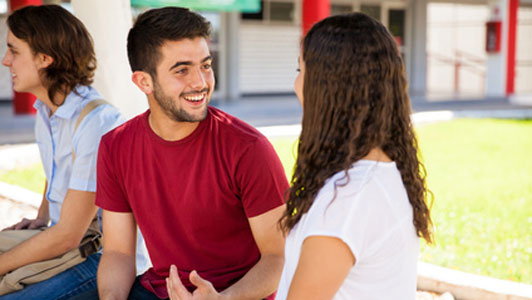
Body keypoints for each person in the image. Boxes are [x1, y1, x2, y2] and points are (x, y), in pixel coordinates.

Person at [95, 6, 288, 300]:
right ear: (144, 81)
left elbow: (279, 258)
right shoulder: (115, 146)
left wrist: (223, 299)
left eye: (206, 65)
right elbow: (119, 252)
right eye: (182, 70)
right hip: (159, 290)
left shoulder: (248, 149)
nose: (200, 82)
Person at [276, 12, 434, 300]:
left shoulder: (347, 199)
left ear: (326, 88)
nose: (296, 84)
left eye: (300, 71)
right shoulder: (378, 172)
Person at [0, 5, 149, 300]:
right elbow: (57, 166)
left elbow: (68, 235)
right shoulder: (48, 109)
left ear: (45, 59)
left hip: (98, 257)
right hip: (66, 243)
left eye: (14, 51)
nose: (6, 61)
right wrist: (42, 216)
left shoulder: (96, 123)